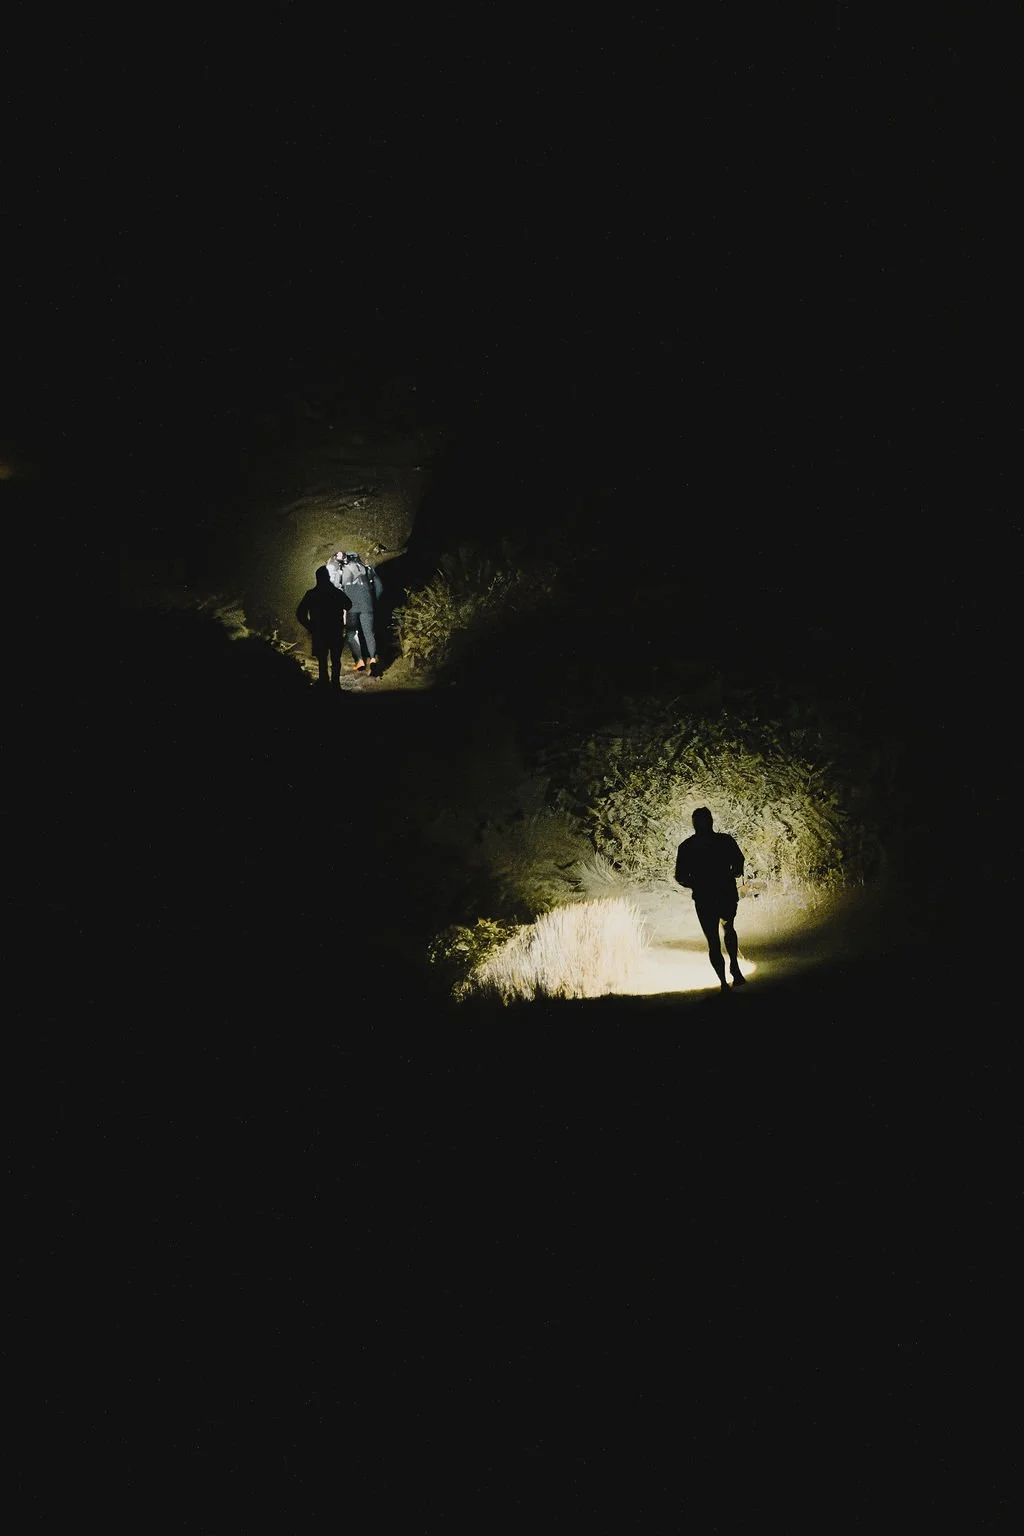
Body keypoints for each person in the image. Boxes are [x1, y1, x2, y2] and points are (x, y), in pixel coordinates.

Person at [674, 806, 747, 989]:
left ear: (694, 824)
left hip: (704, 897)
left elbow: (680, 877)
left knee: (713, 940)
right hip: (726, 892)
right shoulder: (725, 840)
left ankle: (723, 983)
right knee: (729, 927)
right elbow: (739, 862)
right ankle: (735, 969)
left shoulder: (686, 847)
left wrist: (695, 884)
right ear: (711, 821)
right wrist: (735, 872)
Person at [295, 565, 350, 688]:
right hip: (335, 630)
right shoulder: (336, 593)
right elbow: (349, 605)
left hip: (319, 631)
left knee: (322, 659)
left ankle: (324, 683)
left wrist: (309, 626)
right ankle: (335, 684)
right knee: (336, 660)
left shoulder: (311, 594)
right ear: (328, 577)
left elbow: (300, 613)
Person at [331, 550, 383, 674]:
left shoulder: (342, 571)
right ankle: (373, 659)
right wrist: (374, 601)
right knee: (369, 633)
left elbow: (335, 588)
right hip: (367, 606)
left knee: (351, 633)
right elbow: (380, 587)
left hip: (351, 607)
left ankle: (359, 660)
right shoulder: (367, 569)